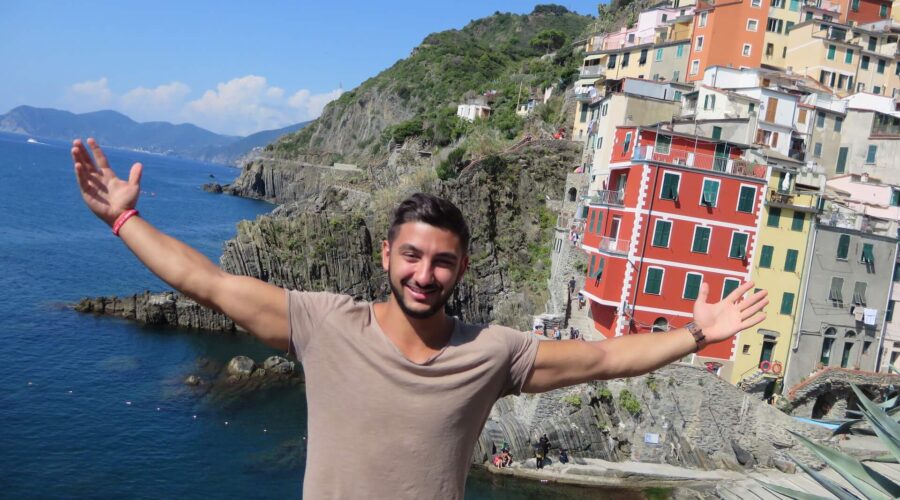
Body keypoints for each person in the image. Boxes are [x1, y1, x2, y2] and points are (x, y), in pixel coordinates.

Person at [71, 138, 769, 499]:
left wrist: (697, 334)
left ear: (460, 270)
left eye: (441, 262)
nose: (423, 274)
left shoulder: (492, 353)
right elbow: (208, 283)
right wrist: (125, 220)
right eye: (411, 256)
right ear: (386, 256)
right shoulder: (325, 324)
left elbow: (606, 359)